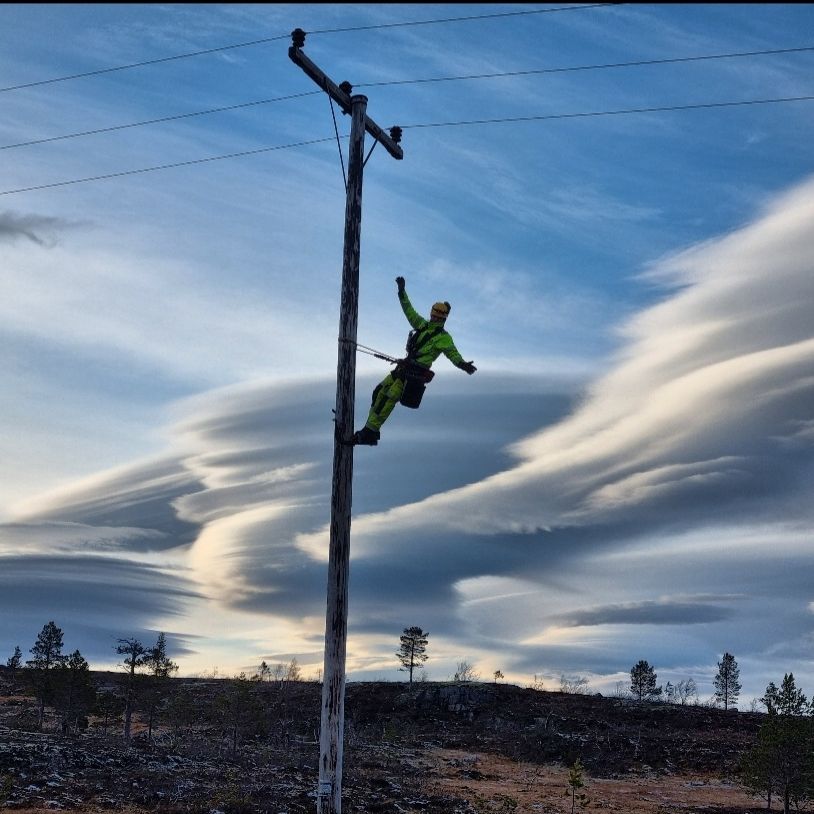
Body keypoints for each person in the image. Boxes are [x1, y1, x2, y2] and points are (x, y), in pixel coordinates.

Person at [352, 276, 476, 446]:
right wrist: (401, 292)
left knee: (387, 398)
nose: (434, 319)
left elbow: (452, 354)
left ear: (443, 319)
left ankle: (370, 431)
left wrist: (462, 364)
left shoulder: (444, 338)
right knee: (378, 392)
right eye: (433, 316)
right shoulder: (422, 325)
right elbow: (409, 310)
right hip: (403, 368)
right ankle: (371, 430)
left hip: (413, 375)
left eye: (437, 317)